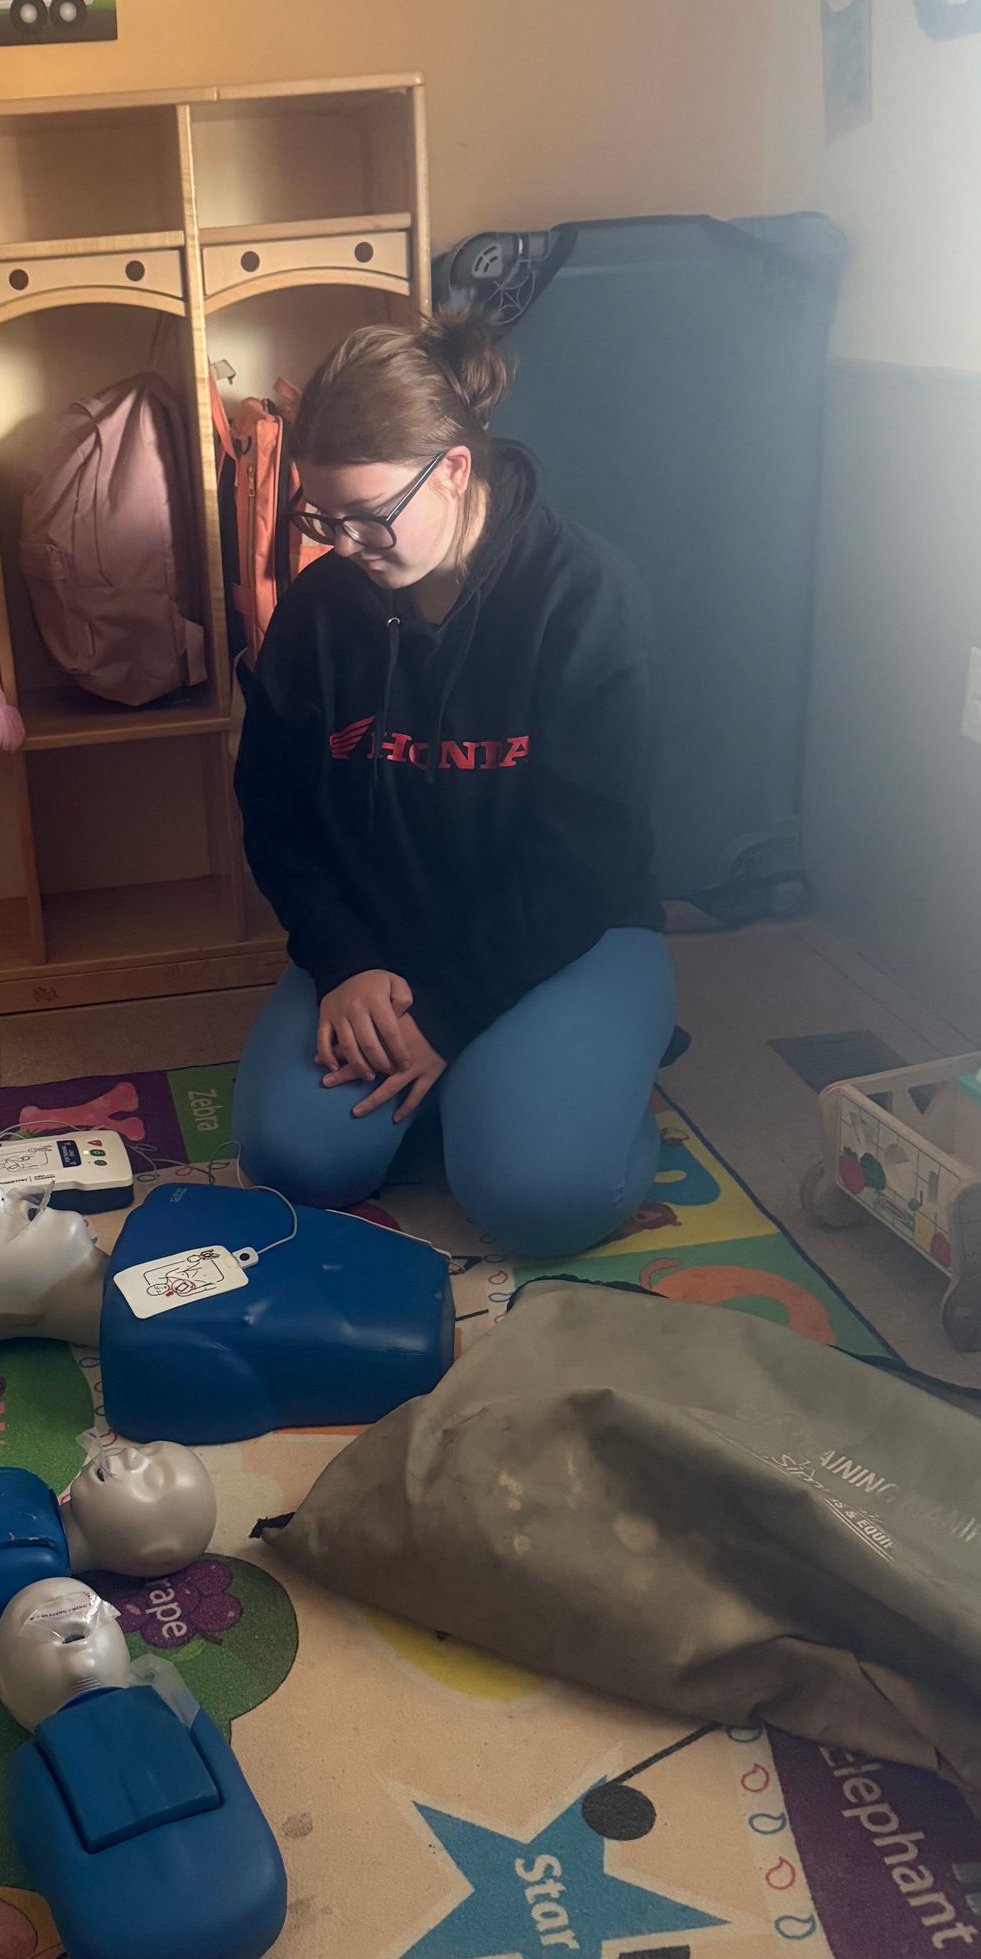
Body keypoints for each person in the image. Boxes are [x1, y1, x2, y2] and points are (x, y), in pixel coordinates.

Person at [231, 315, 675, 1259]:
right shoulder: (318, 611)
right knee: (293, 1159)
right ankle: (491, 1086)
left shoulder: (586, 596)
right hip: (383, 938)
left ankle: (586, 1076)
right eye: (320, 519)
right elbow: (274, 817)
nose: (344, 544)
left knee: (537, 1197)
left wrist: (449, 1016)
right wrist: (341, 959)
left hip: (568, 937)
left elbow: (587, 860)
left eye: (368, 515)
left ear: (456, 471)